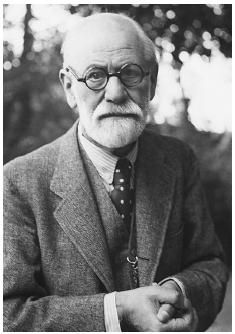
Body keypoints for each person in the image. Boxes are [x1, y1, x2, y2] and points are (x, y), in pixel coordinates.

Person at [3, 12, 228, 332]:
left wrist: (179, 293)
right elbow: (8, 313)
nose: (115, 93)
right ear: (69, 87)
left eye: (130, 73)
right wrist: (117, 311)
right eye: (95, 75)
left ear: (151, 82)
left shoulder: (179, 161)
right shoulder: (18, 182)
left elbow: (211, 263)